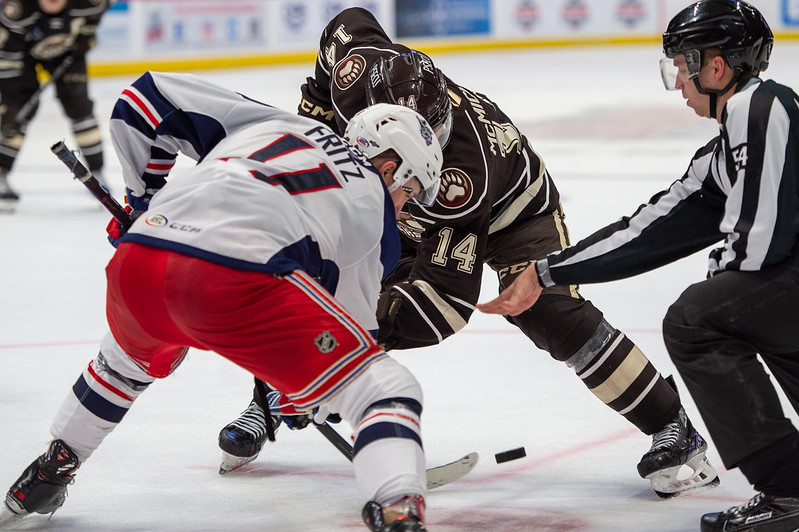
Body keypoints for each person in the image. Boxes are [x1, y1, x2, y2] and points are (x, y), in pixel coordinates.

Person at [217, 6, 720, 499]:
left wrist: (348, 348)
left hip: (513, 213)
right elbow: (347, 22)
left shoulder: (460, 179)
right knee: (329, 267)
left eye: (437, 129)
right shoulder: (361, 74)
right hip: (404, 197)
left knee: (546, 310)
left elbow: (444, 305)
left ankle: (670, 425)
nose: (433, 140)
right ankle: (269, 401)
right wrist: (316, 124)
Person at [0, 70, 444, 532]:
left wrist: (142, 203)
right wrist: (301, 400)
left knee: (125, 364)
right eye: (409, 192)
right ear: (389, 168)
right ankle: (398, 510)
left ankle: (52, 467)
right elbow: (340, 376)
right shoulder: (376, 218)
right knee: (385, 388)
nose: (404, 208)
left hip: (140, 261)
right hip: (231, 281)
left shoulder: (278, 125)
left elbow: (143, 99)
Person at [478, 1, 799, 530]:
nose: (678, 81)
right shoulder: (725, 150)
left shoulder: (762, 107)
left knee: (700, 317)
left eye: (682, 64)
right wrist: (546, 272)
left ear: (716, 67)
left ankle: (789, 491)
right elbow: (646, 231)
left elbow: (763, 240)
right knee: (738, 304)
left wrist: (723, 282)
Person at [0, 0, 110, 209]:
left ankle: (98, 173)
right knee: (17, 112)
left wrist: (87, 32)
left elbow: (100, 9)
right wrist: (11, 99)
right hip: (21, 56)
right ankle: (1, 173)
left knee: (80, 107)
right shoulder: (17, 10)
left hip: (68, 51)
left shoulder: (90, 2)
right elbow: (6, 55)